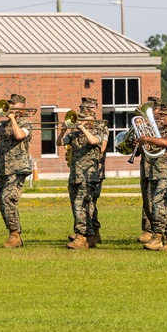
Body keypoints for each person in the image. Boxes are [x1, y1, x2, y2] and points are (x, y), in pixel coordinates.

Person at [137, 103, 167, 250]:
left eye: (164, 115)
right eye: (160, 115)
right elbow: (145, 150)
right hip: (153, 173)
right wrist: (140, 141)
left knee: (159, 205)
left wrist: (147, 138)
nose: (161, 118)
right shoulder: (156, 130)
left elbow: (165, 142)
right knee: (158, 208)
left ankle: (158, 238)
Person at [0, 93, 33, 249]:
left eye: (13, 104)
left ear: (21, 106)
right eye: (9, 104)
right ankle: (13, 234)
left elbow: (19, 135)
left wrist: (12, 119)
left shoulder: (25, 123)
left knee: (8, 199)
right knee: (2, 203)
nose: (10, 106)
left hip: (18, 168)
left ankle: (15, 234)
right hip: (3, 168)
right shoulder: (2, 125)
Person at [64, 106, 105, 250]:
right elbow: (59, 142)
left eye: (83, 118)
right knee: (79, 206)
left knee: (81, 206)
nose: (80, 120)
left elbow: (94, 141)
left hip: (88, 176)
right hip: (75, 175)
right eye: (79, 117)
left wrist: (83, 128)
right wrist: (64, 129)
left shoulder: (98, 131)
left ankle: (81, 236)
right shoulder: (74, 134)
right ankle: (90, 237)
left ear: (91, 120)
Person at [79, 97, 108, 247]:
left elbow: (101, 148)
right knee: (82, 202)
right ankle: (83, 230)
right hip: (80, 170)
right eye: (83, 108)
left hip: (95, 170)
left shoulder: (101, 126)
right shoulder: (82, 124)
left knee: (90, 203)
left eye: (90, 108)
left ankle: (93, 232)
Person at [136, 96, 162, 244]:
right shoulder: (143, 126)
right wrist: (139, 135)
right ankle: (147, 229)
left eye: (152, 109)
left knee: (157, 201)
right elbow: (139, 150)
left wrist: (148, 132)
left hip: (159, 168)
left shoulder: (164, 127)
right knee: (146, 199)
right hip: (145, 166)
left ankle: (158, 231)